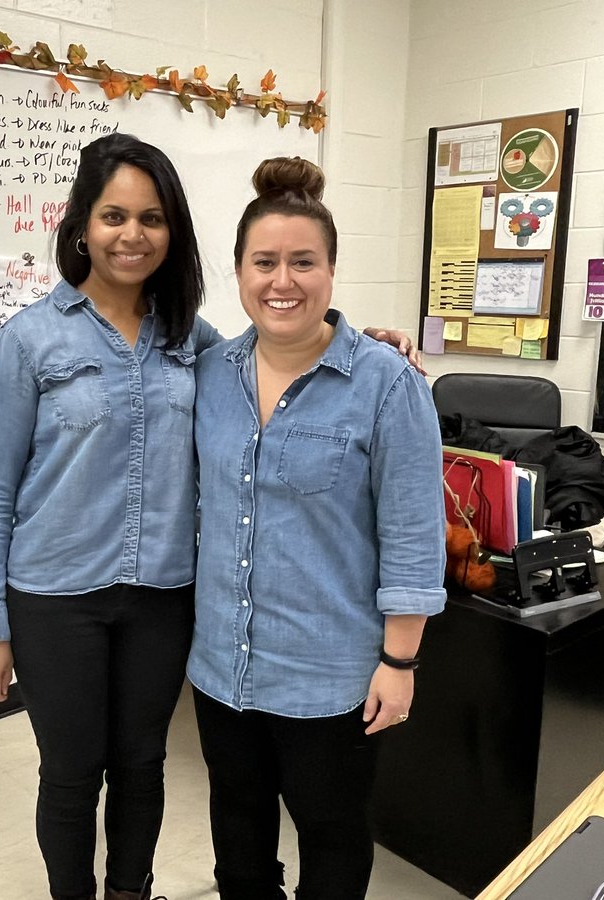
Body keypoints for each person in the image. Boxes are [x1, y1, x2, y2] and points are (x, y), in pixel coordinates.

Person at [0, 133, 419, 900]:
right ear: (81, 225)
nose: (132, 234)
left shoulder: (192, 343)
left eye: (151, 217)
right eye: (113, 216)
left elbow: (287, 343)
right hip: (54, 594)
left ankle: (130, 893)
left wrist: (369, 343)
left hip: (161, 597)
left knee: (143, 765)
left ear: (173, 232)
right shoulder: (30, 338)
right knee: (72, 774)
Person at [187, 156, 447, 900]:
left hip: (331, 675)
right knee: (238, 835)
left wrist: (400, 663)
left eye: (304, 262)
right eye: (264, 262)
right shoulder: (210, 373)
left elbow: (412, 538)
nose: (283, 281)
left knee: (331, 835)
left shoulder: (386, 383)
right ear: (237, 272)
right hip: (221, 666)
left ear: (331, 271)